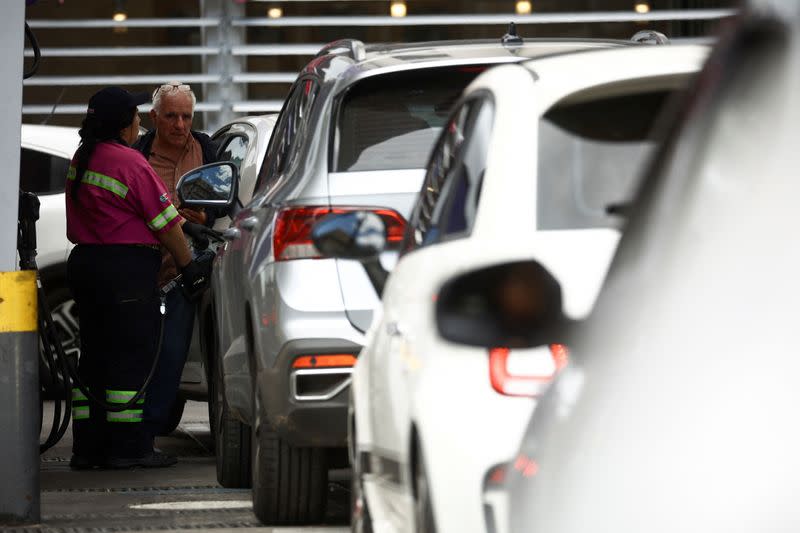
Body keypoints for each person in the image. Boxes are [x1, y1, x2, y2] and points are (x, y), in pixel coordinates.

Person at [65, 86, 205, 469]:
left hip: (87, 265)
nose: (139, 124)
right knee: (131, 359)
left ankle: (89, 449)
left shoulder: (83, 157)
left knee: (96, 358)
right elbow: (166, 223)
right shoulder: (129, 162)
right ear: (122, 124)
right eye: (136, 118)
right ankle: (130, 448)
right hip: (126, 270)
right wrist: (189, 267)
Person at [132, 82, 219, 439]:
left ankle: (152, 425)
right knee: (139, 352)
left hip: (187, 268)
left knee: (172, 351)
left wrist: (207, 220)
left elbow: (223, 201)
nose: (180, 124)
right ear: (153, 117)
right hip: (143, 267)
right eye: (171, 116)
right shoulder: (137, 155)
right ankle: (133, 427)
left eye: (186, 116)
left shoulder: (207, 148)